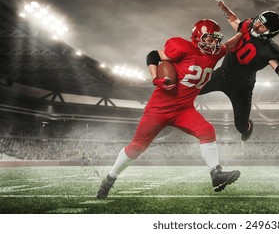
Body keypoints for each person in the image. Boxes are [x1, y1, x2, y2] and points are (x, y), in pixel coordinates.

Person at [97, 19, 243, 199]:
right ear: (197, 37)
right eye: (209, 39)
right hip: (159, 108)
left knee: (207, 130)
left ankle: (216, 175)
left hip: (184, 109)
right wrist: (155, 78)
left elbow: (229, 45)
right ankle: (110, 178)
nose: (213, 43)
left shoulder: (215, 52)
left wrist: (244, 31)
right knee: (137, 146)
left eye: (215, 39)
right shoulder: (182, 47)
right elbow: (153, 55)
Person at [199, 0, 279, 142]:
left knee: (241, 126)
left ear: (271, 32)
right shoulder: (249, 25)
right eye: (258, 21)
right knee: (192, 89)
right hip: (222, 74)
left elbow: (277, 67)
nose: (257, 25)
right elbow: (235, 21)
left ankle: (248, 127)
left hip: (242, 88)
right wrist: (222, 6)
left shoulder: (271, 50)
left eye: (263, 26)